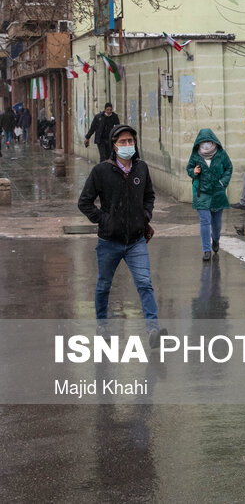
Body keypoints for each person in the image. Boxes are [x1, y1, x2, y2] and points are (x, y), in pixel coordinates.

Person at [77, 124, 165, 348]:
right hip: (109, 241)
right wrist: (104, 219)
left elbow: (149, 195)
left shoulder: (141, 168)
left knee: (145, 283)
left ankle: (153, 329)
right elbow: (84, 202)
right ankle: (102, 324)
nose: (127, 145)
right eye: (122, 142)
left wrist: (145, 216)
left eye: (130, 141)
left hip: (136, 241)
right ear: (114, 145)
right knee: (104, 285)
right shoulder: (101, 171)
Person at [186, 128, 233, 261]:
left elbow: (229, 168)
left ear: (213, 141)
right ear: (199, 142)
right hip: (201, 192)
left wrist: (223, 182)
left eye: (208, 141)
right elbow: (189, 168)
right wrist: (193, 171)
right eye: (203, 141)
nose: (206, 144)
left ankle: (216, 239)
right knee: (205, 221)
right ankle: (206, 250)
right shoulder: (196, 155)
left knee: (216, 223)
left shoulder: (221, 154)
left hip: (217, 191)